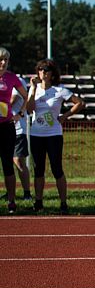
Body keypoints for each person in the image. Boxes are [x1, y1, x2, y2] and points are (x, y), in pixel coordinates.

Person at [26, 59, 84, 214]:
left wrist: (65, 116)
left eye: (46, 70)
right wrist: (32, 89)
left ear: (52, 74)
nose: (43, 72)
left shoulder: (60, 90)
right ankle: (38, 202)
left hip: (53, 134)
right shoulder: (35, 90)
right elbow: (29, 109)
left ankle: (63, 203)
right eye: (40, 69)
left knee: (56, 168)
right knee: (38, 169)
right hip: (36, 134)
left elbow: (79, 103)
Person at [0, 47, 28, 213]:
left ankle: (11, 201)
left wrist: (20, 113)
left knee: (7, 165)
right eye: (1, 60)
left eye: (6, 60)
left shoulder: (11, 77)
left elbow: (25, 96)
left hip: (6, 127)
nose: (3, 63)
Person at [11, 76, 32, 201]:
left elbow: (10, 101)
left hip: (17, 128)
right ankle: (10, 193)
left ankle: (27, 193)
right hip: (3, 129)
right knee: (7, 164)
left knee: (19, 161)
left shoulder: (15, 79)